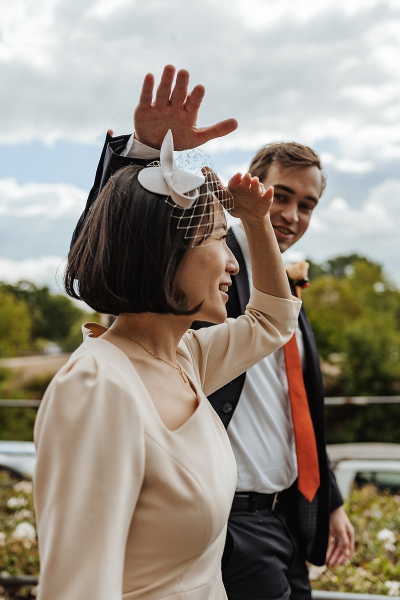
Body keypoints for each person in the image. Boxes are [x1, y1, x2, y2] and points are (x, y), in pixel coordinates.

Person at [33, 66, 301, 600]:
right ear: (165, 256)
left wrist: (254, 221)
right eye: (220, 241)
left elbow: (274, 319)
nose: (233, 265)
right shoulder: (96, 388)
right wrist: (143, 156)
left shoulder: (187, 359)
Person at [191, 142, 356, 600]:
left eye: (307, 205)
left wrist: (332, 500)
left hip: (287, 516)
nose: (292, 215)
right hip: (231, 517)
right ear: (254, 185)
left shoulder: (286, 287)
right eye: (281, 196)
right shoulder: (208, 259)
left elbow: (296, 409)